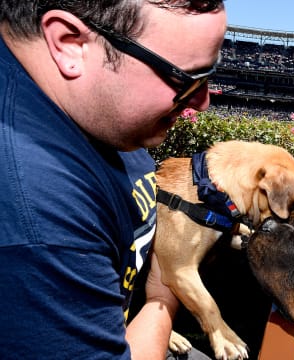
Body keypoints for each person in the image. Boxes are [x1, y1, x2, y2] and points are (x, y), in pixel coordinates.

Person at [0, 1, 227, 359]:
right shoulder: (36, 215)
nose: (202, 102)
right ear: (69, 43)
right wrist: (164, 294)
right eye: (186, 79)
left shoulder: (91, 110)